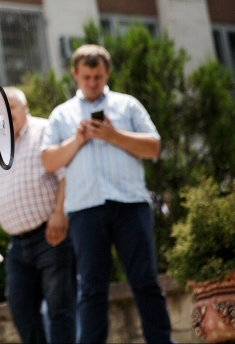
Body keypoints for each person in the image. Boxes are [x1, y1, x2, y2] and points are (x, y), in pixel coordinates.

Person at [41, 45, 172, 343]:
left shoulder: (128, 106)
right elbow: (48, 161)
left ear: (107, 73)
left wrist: (113, 135)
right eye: (86, 76)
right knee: (91, 289)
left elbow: (153, 147)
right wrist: (78, 139)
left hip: (130, 204)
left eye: (98, 76)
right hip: (85, 210)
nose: (92, 82)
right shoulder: (61, 116)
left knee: (145, 281)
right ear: (75, 74)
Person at [0, 87, 76, 343]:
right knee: (21, 309)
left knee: (60, 307)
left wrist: (60, 214)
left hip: (51, 235)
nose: (7, 113)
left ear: (26, 108)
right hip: (17, 245)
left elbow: (66, 174)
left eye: (12, 107)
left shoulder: (45, 131)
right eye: (2, 109)